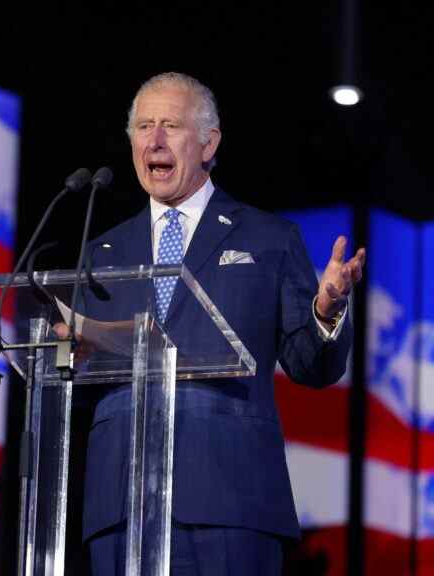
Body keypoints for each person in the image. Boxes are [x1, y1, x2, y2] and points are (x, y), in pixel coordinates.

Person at [72, 73, 366, 574]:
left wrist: (327, 311)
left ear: (209, 142)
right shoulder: (102, 251)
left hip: (230, 502)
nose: (155, 140)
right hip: (120, 504)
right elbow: (79, 379)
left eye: (170, 125)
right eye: (144, 127)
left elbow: (308, 364)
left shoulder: (269, 237)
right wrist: (65, 353)